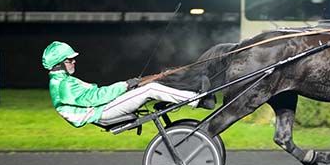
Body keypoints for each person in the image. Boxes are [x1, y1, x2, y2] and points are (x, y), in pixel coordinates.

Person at [42, 41, 212, 127]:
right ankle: (198, 100)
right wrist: (125, 85)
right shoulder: (63, 85)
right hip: (102, 112)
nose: (74, 62)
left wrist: (129, 85)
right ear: (59, 63)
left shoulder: (63, 81)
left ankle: (190, 89)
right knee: (151, 88)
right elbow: (96, 97)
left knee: (151, 83)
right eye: (70, 59)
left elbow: (96, 94)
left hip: (102, 108)